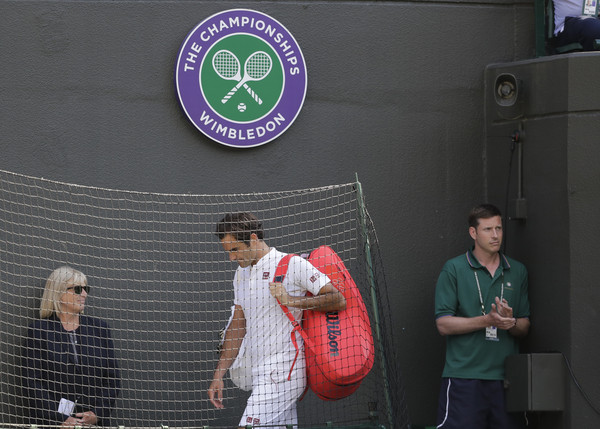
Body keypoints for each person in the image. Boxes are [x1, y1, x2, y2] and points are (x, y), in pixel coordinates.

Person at [208, 212, 346, 428]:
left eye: (235, 250)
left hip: (284, 373)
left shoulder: (292, 264)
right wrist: (219, 374)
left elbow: (337, 299)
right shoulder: (240, 274)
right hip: (259, 374)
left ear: (253, 239)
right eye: (228, 252)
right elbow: (237, 326)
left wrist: (291, 300)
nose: (232, 258)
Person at [434, 204, 530, 429]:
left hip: (507, 380)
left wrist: (510, 322)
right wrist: (487, 320)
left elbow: (525, 326)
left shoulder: (517, 271)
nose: (495, 235)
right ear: (473, 233)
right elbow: (443, 324)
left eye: (499, 228)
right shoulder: (454, 269)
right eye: (488, 229)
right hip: (464, 377)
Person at [22, 266, 120, 427]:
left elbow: (112, 379)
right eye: (77, 289)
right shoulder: (39, 331)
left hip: (93, 424)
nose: (84, 294)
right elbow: (32, 382)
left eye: (85, 289)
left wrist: (97, 413)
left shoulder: (100, 329)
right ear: (58, 293)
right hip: (52, 423)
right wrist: (60, 418)